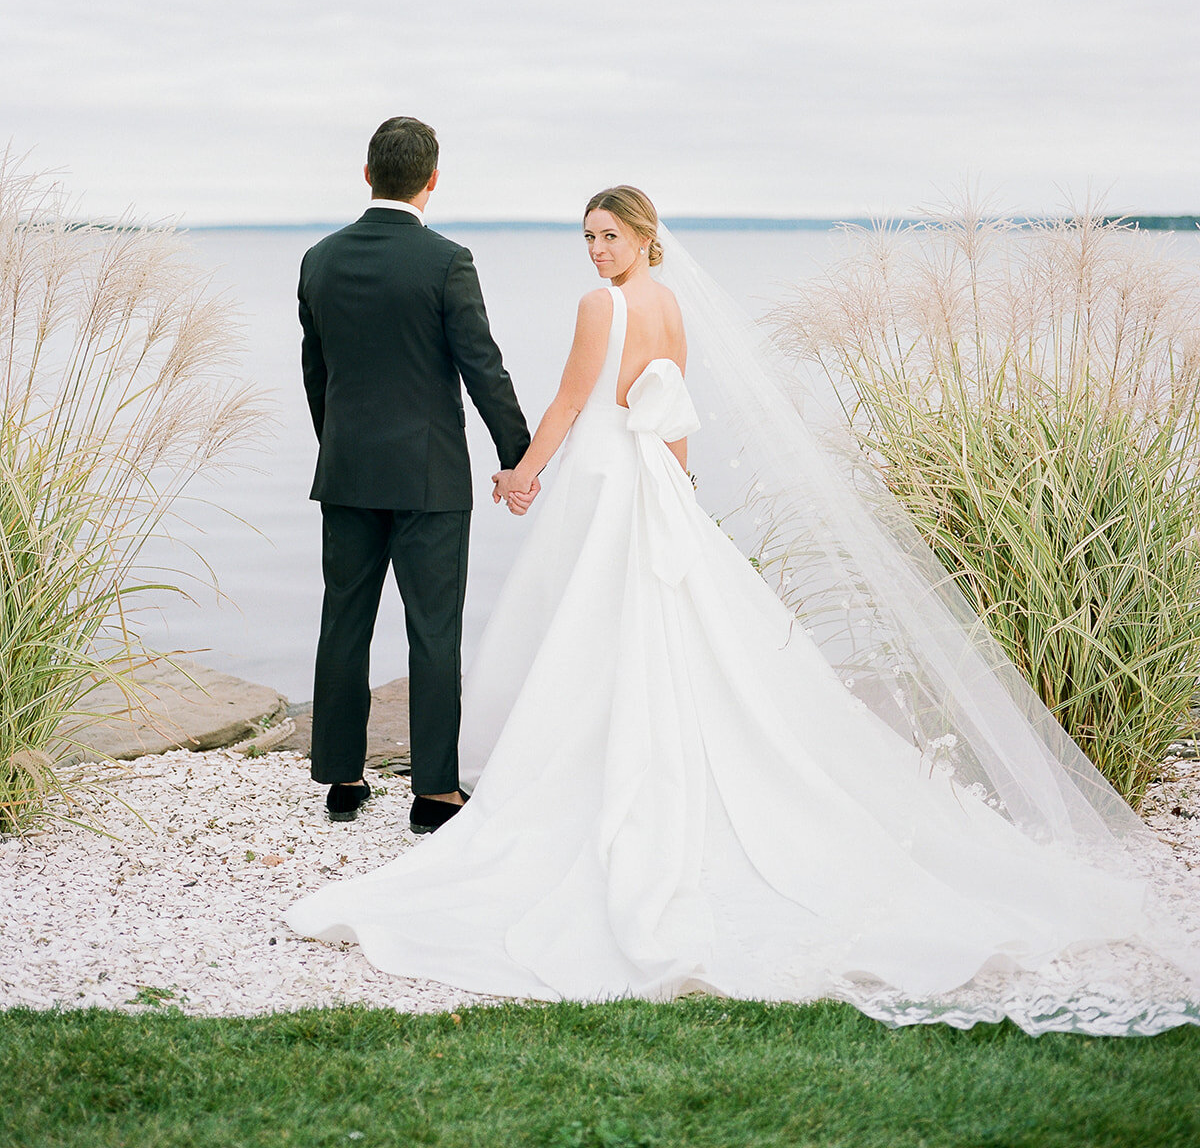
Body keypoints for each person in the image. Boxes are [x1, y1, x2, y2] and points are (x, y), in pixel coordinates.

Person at [287, 186, 1200, 1034]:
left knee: (587, 622)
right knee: (636, 625)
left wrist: (523, 472)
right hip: (644, 475)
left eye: (611, 237)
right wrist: (676, 486)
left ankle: (566, 768)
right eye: (589, 240)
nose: (598, 252)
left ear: (645, 237)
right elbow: (671, 406)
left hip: (610, 476)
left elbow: (574, 399)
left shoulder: (598, 308)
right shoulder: (669, 303)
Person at [297, 117, 532, 830]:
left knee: (343, 621)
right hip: (428, 478)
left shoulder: (318, 259)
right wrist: (517, 456)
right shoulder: (446, 261)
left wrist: (336, 445)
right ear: (433, 180)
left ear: (368, 175)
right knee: (433, 631)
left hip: (346, 470)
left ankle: (341, 779)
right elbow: (481, 365)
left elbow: (317, 372)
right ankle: (434, 793)